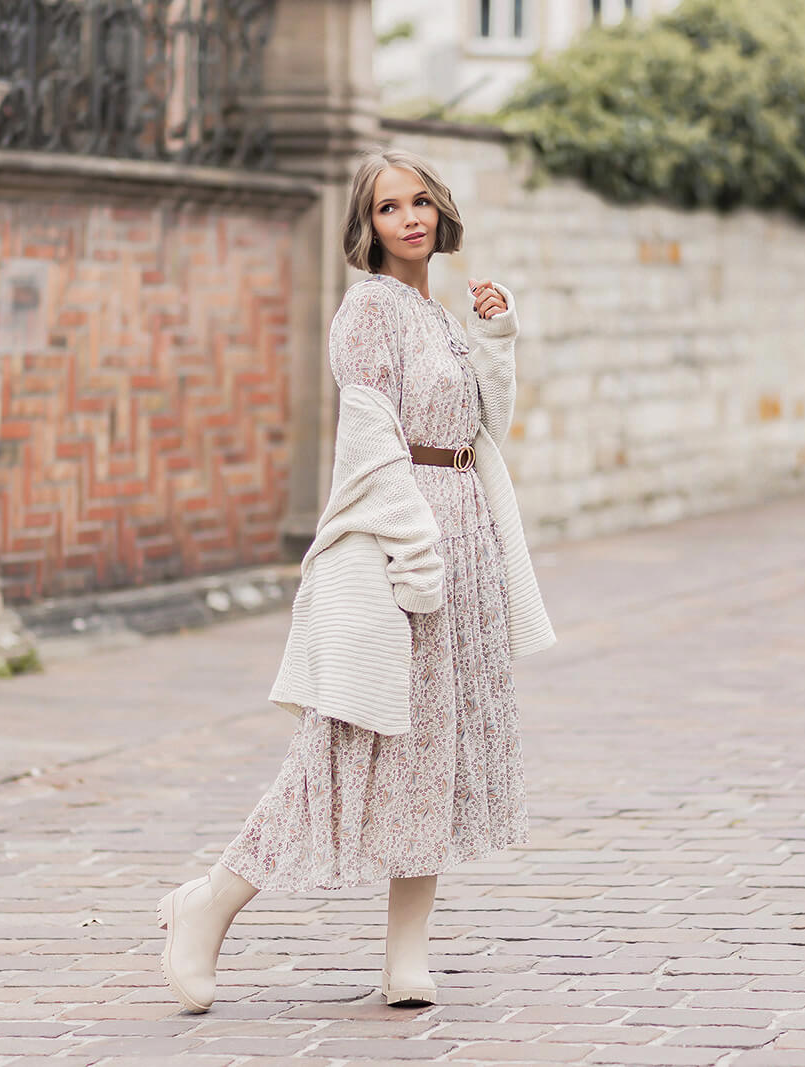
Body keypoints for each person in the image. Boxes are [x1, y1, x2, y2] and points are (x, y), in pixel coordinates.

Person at [157, 148, 556, 1014]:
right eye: (387, 208)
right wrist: (417, 551)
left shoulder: (436, 313)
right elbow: (373, 447)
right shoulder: (369, 313)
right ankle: (206, 905)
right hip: (408, 553)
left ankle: (405, 955)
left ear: (439, 211)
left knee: (435, 757)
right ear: (365, 226)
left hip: (467, 544)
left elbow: (488, 427)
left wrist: (496, 335)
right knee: (342, 751)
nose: (408, 218)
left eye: (419, 202)